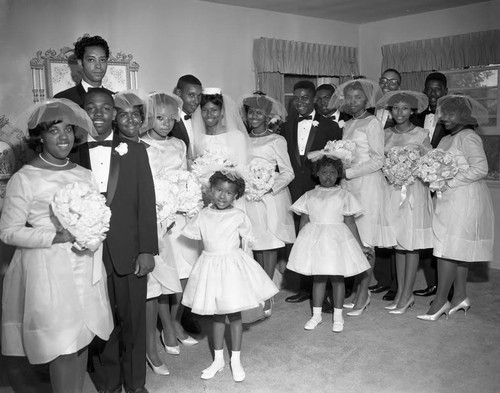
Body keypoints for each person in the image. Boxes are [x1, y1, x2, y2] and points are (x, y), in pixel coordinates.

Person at [0, 99, 113, 393]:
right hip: (49, 270)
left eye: (68, 130)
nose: (63, 137)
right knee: (62, 344)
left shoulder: (83, 174)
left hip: (85, 263)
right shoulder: (24, 178)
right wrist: (55, 236)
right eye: (54, 131)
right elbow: (8, 232)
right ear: (40, 136)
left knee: (82, 338)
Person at [77, 88, 158, 393]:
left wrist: (147, 249)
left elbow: (145, 202)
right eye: (90, 108)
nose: (98, 114)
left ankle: (136, 383)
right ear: (82, 112)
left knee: (133, 321)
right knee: (100, 323)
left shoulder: (134, 151)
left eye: (105, 108)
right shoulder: (72, 151)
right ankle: (108, 383)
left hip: (129, 251)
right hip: (88, 254)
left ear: (114, 113)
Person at [181, 170, 278, 382]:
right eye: (218, 190)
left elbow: (246, 244)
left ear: (236, 195)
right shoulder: (203, 215)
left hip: (232, 268)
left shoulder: (239, 216)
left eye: (228, 192)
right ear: (210, 190)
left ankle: (235, 359)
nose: (222, 196)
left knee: (234, 315)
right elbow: (197, 238)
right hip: (210, 268)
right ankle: (218, 359)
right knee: (216, 315)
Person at [417, 95, 494, 321]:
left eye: (451, 114)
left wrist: (449, 181)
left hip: (463, 199)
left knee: (447, 250)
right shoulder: (446, 140)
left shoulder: (468, 137)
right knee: (454, 249)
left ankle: (441, 301)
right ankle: (460, 296)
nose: (444, 118)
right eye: (444, 114)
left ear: (464, 116)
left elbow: (480, 168)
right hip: (447, 198)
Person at [140, 92, 201, 366]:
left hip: (183, 215)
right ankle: (166, 327)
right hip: (159, 218)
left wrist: (190, 198)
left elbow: (187, 174)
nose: (165, 123)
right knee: (166, 277)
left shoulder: (178, 143)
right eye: (158, 117)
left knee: (186, 275)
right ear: (149, 117)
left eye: (169, 118)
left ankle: (175, 322)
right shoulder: (140, 144)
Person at [328, 79, 396, 316]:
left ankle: (364, 293)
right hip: (348, 185)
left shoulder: (373, 123)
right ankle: (359, 290)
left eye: (358, 97)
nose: (353, 101)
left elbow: (379, 159)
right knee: (353, 240)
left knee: (365, 241)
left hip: (367, 186)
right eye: (350, 97)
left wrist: (350, 171)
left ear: (367, 100)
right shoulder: (348, 124)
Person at [287, 155, 370, 332]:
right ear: (317, 173)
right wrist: (300, 245)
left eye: (332, 173)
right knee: (319, 278)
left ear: (338, 174)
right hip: (315, 239)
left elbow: (350, 222)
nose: (328, 176)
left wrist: (360, 245)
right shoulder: (309, 195)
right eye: (324, 172)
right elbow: (304, 221)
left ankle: (338, 316)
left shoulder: (344, 195)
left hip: (337, 240)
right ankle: (316, 315)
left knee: (337, 278)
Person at [280, 80, 342, 304]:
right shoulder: (286, 126)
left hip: (320, 189)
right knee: (302, 240)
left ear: (314, 99)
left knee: (323, 240)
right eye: (296, 98)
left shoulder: (330, 126)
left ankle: (325, 293)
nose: (300, 102)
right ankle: (305, 289)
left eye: (305, 97)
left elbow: (335, 162)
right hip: (296, 189)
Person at [376, 91, 434, 314]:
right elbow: (380, 162)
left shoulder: (421, 134)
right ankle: (400, 292)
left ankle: (408, 294)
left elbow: (428, 164)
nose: (399, 112)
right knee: (397, 245)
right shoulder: (385, 134)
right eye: (395, 108)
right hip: (391, 191)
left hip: (413, 192)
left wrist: (411, 171)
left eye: (405, 108)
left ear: (413, 111)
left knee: (410, 245)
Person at [240, 93, 295, 316]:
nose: (254, 116)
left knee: (269, 245)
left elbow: (288, 172)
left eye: (259, 113)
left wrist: (267, 187)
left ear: (267, 116)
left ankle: (268, 294)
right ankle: (258, 289)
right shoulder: (242, 139)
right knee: (255, 244)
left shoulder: (276, 140)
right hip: (248, 196)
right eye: (251, 112)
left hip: (270, 196)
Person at [412, 72, 449, 297]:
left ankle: (447, 286)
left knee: (443, 235)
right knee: (426, 235)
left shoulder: (454, 117)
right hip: (420, 186)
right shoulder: (416, 118)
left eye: (438, 89)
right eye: (429, 89)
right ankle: (432, 283)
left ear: (445, 91)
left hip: (444, 186)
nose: (433, 93)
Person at [191, 87, 249, 167]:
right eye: (205, 110)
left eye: (214, 110)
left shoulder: (237, 136)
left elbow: (243, 166)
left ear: (222, 112)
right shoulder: (197, 137)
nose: (209, 114)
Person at [54, 35, 114, 107]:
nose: (98, 66)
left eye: (102, 60)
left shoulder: (115, 99)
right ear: (80, 63)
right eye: (91, 60)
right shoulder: (62, 100)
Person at [171, 74, 203, 159]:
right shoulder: (170, 120)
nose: (196, 101)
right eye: (191, 95)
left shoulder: (202, 119)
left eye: (199, 96)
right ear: (178, 93)